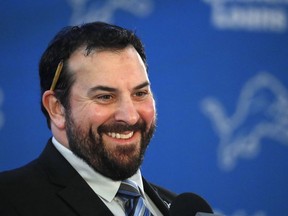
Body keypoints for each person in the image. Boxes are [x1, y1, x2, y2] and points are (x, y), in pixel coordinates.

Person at [0, 21, 177, 216]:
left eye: (140, 93)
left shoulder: (177, 205)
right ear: (57, 108)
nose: (130, 116)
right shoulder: (8, 201)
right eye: (105, 97)